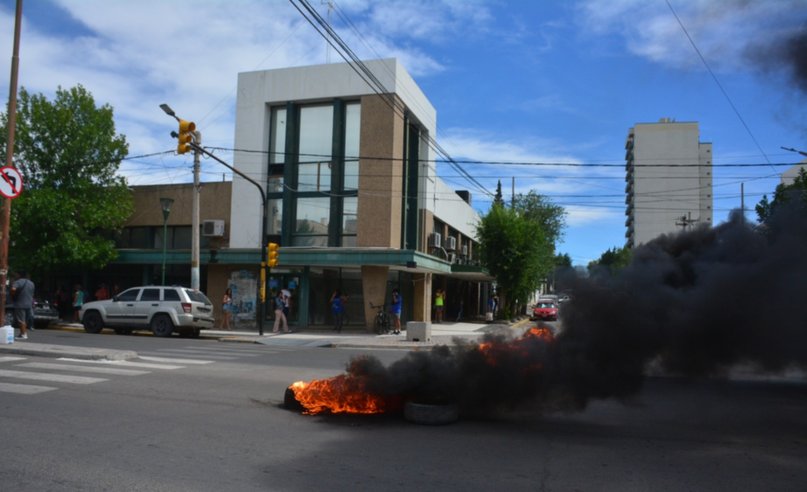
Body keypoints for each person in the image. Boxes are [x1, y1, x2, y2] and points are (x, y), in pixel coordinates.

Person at [11, 271, 35, 340]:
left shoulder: (18, 282)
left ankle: (24, 334)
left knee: (21, 320)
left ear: (19, 275)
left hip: (20, 304)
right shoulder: (31, 283)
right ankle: (22, 333)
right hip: (29, 304)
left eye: (16, 274)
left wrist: (13, 295)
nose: (16, 276)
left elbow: (13, 289)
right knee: (25, 320)